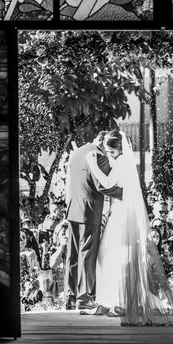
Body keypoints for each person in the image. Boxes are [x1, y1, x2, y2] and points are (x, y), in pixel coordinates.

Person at [84, 130, 173, 326]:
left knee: (113, 257)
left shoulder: (122, 163)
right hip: (120, 212)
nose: (108, 154)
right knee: (111, 256)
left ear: (119, 149)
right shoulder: (124, 163)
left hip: (122, 215)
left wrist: (92, 164)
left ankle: (120, 300)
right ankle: (113, 299)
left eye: (110, 151)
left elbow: (106, 182)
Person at [64, 130, 122, 311]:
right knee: (87, 254)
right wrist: (126, 194)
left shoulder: (77, 152)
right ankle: (84, 297)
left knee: (73, 254)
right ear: (102, 141)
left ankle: (70, 296)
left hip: (73, 210)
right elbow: (101, 185)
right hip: (89, 213)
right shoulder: (98, 156)